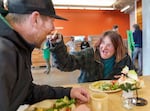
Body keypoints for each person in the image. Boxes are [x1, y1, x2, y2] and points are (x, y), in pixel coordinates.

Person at [0, 0, 89, 110]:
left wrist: (68, 92)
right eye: (51, 21)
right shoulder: (4, 53)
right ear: (35, 19)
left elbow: (26, 91)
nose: (53, 28)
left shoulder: (18, 46)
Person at [50, 30, 135, 83]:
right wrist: (57, 45)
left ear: (116, 48)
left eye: (109, 45)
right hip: (87, 94)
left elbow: (133, 75)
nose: (104, 47)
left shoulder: (124, 58)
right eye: (103, 43)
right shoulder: (89, 54)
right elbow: (66, 64)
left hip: (113, 96)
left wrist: (126, 78)